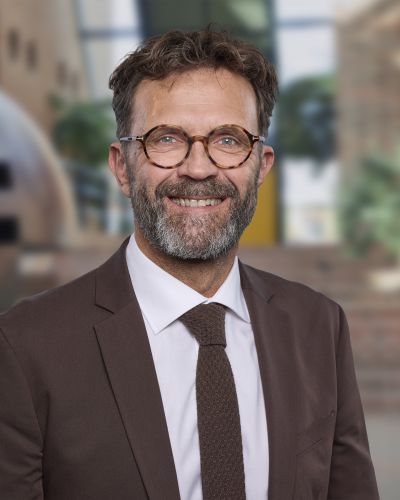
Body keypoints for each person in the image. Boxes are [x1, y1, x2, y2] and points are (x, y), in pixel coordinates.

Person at [0, 28, 379, 500]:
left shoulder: (319, 326)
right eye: (166, 139)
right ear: (122, 166)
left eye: (228, 139)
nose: (198, 168)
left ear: (261, 166)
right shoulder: (24, 346)